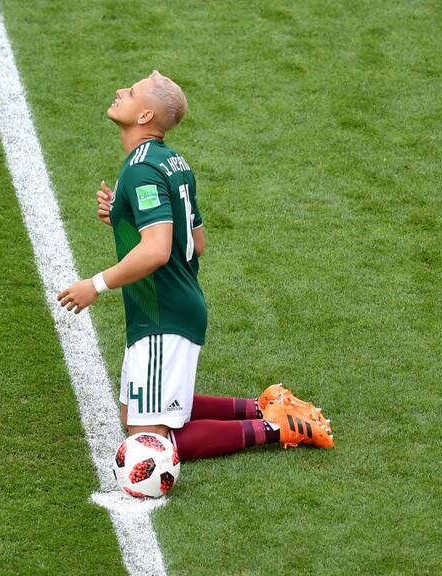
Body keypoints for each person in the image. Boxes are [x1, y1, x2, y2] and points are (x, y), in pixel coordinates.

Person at [57, 70, 333, 460]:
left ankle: (277, 427)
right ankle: (262, 405)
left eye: (132, 92)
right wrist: (124, 214)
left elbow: (156, 251)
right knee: (131, 414)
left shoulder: (142, 169)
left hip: (163, 313)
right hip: (173, 305)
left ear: (145, 117)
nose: (121, 90)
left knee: (150, 444)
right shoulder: (171, 162)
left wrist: (95, 285)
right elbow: (196, 242)